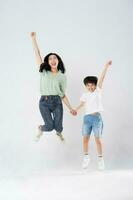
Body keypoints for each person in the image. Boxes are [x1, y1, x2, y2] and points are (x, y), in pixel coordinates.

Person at [30, 32, 77, 142]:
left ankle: (59, 133)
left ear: (58, 60)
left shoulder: (62, 76)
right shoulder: (44, 72)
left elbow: (63, 94)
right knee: (50, 126)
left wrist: (71, 108)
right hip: (44, 102)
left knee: (59, 127)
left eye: (54, 58)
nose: (52, 60)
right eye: (50, 58)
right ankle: (41, 128)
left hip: (57, 102)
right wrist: (33, 39)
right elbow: (37, 54)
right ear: (48, 62)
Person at [75, 60, 112, 170]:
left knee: (98, 139)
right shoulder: (85, 95)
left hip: (96, 118)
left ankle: (101, 159)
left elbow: (102, 78)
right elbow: (81, 104)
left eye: (92, 85)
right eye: (88, 85)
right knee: (85, 139)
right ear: (86, 86)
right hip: (87, 118)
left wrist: (106, 66)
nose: (90, 87)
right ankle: (86, 157)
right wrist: (75, 109)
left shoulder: (98, 91)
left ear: (95, 85)